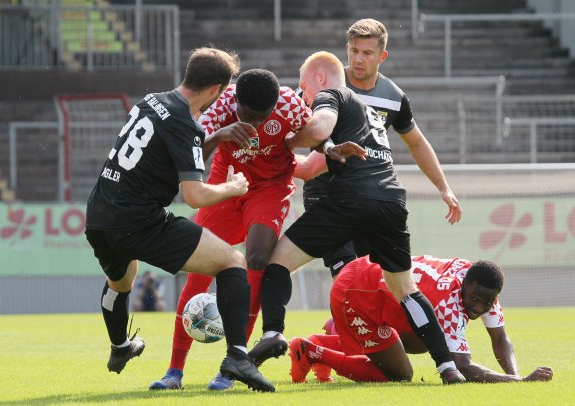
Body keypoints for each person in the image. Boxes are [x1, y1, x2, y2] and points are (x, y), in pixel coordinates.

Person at [248, 51, 466, 384]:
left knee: (278, 261)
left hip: (349, 199)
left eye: (304, 88)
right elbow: (311, 165)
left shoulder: (331, 96)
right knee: (406, 291)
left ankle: (273, 332)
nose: (304, 98)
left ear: (320, 79)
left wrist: (286, 140)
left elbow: (319, 127)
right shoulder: (368, 114)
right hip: (391, 200)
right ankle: (446, 367)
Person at [84, 47, 274, 392]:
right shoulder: (184, 122)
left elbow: (165, 150)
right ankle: (238, 357)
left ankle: (119, 347)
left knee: (122, 281)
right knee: (233, 261)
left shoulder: (151, 101)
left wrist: (215, 136)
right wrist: (233, 188)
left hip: (99, 216)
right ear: (216, 89)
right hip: (139, 222)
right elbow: (194, 196)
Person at [148, 69, 313, 392]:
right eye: (246, 115)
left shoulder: (290, 104)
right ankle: (174, 372)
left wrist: (327, 149)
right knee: (199, 271)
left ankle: (233, 366)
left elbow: (315, 131)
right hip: (226, 184)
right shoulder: (222, 103)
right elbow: (195, 154)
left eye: (260, 117)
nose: (252, 121)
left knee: (256, 258)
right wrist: (222, 134)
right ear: (235, 100)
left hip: (270, 187)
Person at [295, 18, 461, 278]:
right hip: (325, 190)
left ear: (382, 56)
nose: (358, 59)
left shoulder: (393, 97)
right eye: (353, 51)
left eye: (367, 53)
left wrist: (444, 187)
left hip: (368, 195)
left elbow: (416, 142)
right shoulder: (327, 84)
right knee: (347, 274)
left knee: (371, 278)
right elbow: (290, 123)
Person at [288, 255, 554, 384]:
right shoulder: (447, 300)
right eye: (475, 299)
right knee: (400, 374)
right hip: (357, 292)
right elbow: (461, 365)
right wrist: (517, 383)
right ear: (465, 285)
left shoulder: (478, 281)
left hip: (377, 286)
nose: (479, 307)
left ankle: (332, 334)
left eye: (487, 302)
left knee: (424, 342)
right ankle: (311, 350)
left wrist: (515, 374)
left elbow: (501, 338)